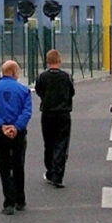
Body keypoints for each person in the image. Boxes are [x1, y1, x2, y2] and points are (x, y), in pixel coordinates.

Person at [0, 60, 33, 215]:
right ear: (14, 72)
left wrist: (1, 125)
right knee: (18, 164)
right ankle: (20, 199)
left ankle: (9, 202)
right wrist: (16, 126)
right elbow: (27, 111)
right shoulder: (24, 90)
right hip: (18, 132)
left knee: (4, 166)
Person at [35, 49, 75, 188]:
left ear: (47, 61)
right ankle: (58, 175)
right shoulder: (67, 77)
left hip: (47, 113)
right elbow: (71, 92)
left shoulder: (42, 77)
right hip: (63, 114)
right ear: (59, 61)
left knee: (49, 143)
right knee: (62, 144)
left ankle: (50, 171)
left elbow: (39, 91)